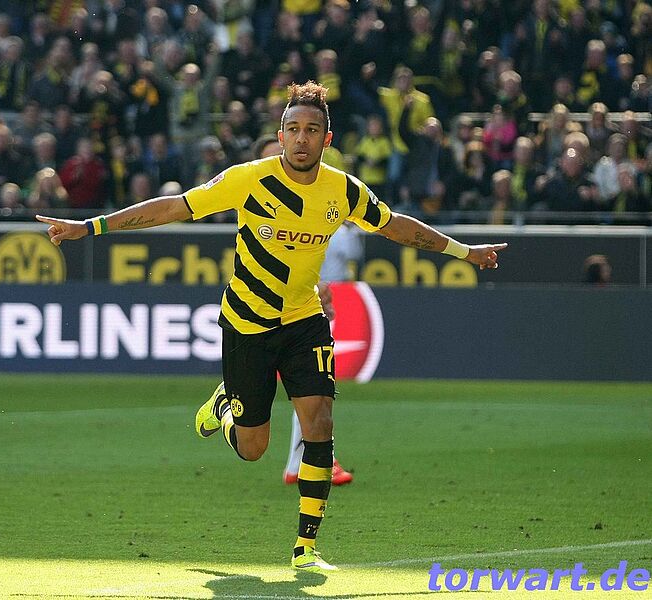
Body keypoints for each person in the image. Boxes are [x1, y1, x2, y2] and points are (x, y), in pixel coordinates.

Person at [36, 82, 506, 572]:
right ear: (280, 136)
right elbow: (173, 207)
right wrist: (91, 226)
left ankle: (306, 548)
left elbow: (395, 225)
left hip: (304, 320)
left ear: (327, 139)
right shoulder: (248, 179)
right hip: (248, 325)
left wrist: (465, 252)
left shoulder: (343, 190)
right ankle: (224, 408)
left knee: (319, 423)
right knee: (253, 448)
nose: (302, 138)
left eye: (312, 130)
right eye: (293, 129)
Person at [253, 133, 355, 487]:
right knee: (261, 402)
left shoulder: (317, 193)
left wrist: (315, 289)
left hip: (302, 309)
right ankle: (228, 401)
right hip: (262, 308)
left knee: (311, 384)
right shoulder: (254, 199)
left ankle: (308, 459)